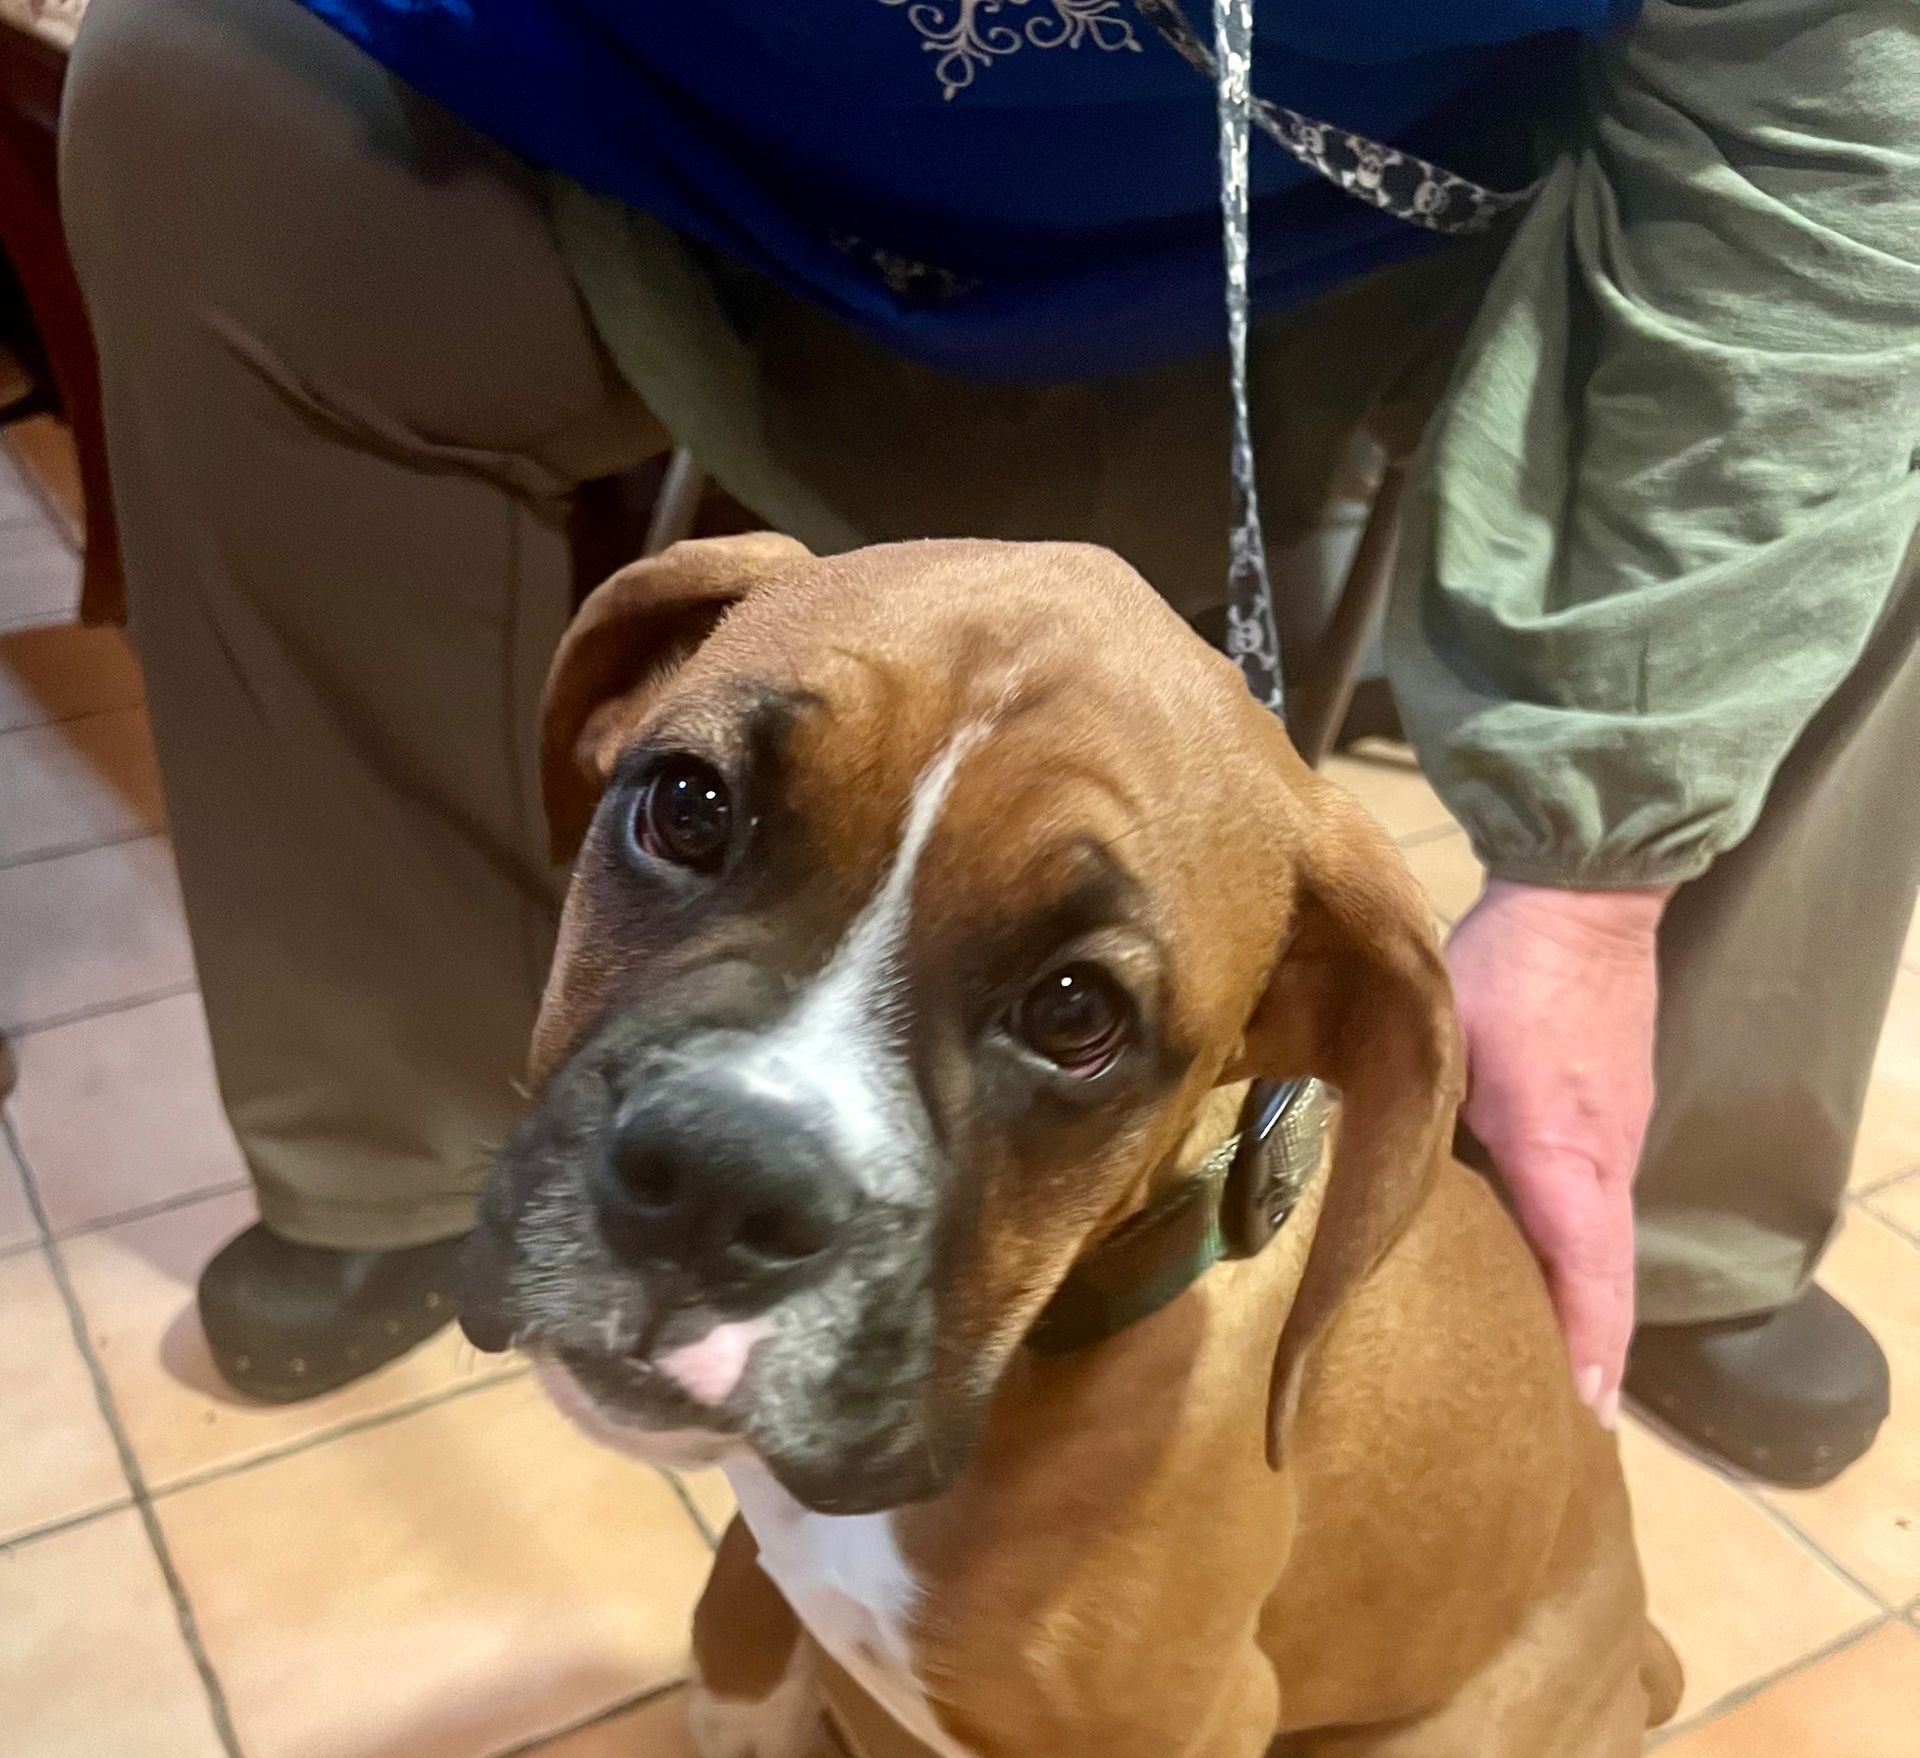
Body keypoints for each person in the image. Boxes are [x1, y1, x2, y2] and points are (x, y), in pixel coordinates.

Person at [58, 0, 1919, 1484]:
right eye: (683, 811)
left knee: (1856, 376)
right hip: (689, 150)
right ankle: (390, 1138)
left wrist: (1600, 862)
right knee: (199, 88)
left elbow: (1823, 125)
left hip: (1380, 210)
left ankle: (1675, 1217)